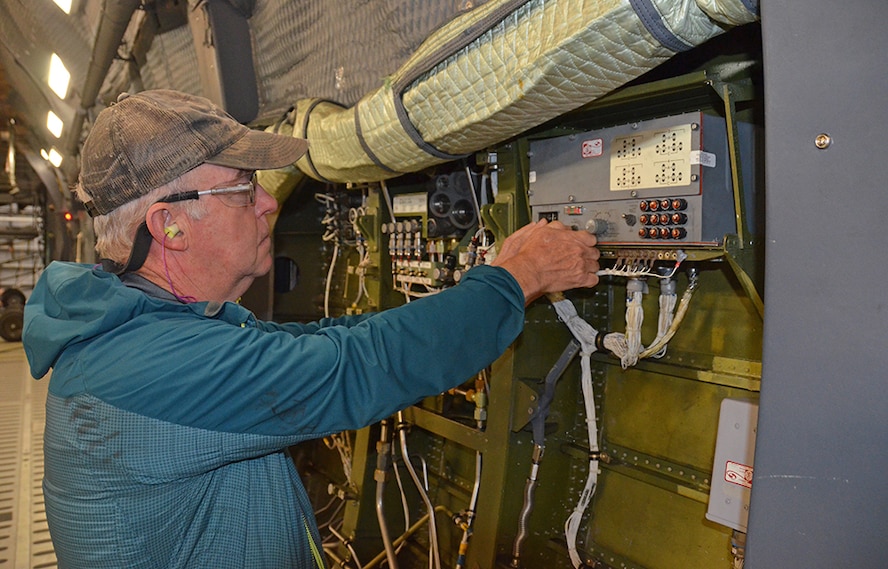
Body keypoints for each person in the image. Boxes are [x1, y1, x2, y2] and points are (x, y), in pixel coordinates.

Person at [22, 89, 600, 568]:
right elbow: (348, 369)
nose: (268, 205)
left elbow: (317, 344)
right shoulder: (148, 366)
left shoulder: (146, 330)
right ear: (169, 227)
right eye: (243, 189)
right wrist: (514, 278)